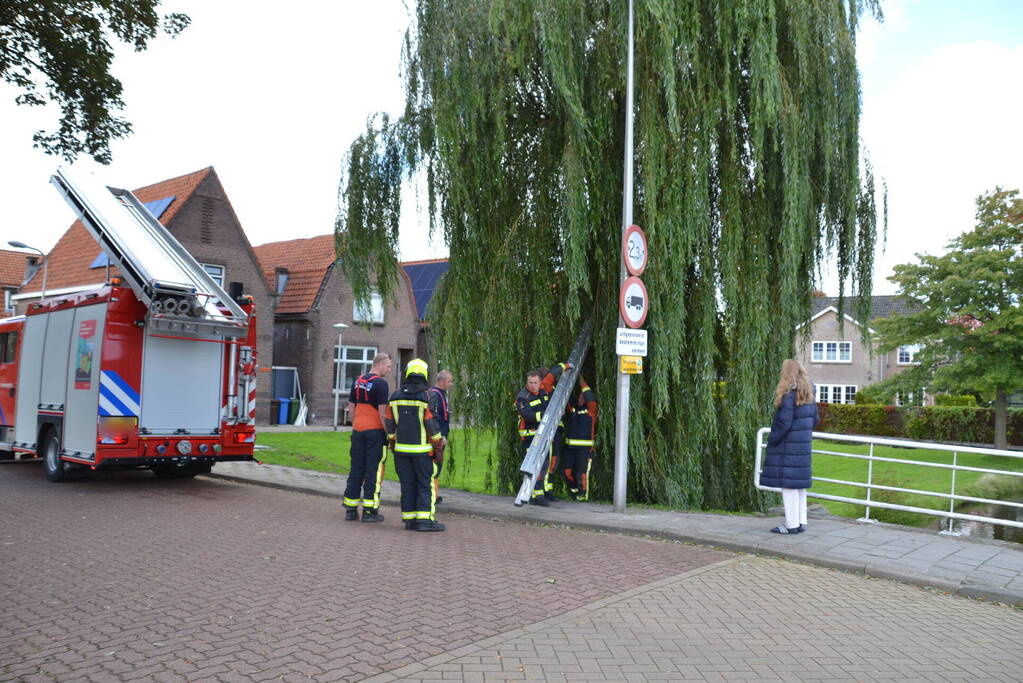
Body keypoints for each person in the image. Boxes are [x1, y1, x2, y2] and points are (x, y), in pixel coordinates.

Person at [386, 358, 447, 531]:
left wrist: (392, 443)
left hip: (401, 451)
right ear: (425, 374)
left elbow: (389, 423)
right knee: (425, 484)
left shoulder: (395, 396)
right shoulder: (428, 396)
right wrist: (439, 447)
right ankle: (424, 521)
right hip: (422, 452)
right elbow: (432, 425)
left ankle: (410, 520)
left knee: (407, 484)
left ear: (407, 373)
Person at [761, 358, 818, 534]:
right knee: (799, 485)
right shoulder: (809, 394)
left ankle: (791, 525)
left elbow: (783, 424)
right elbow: (815, 420)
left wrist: (772, 440)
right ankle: (800, 522)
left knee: (788, 486)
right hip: (802, 447)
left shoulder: (789, 395)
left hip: (788, 448)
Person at [342, 352, 392, 523]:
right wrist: (389, 434)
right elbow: (382, 413)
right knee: (373, 471)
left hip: (358, 430)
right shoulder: (381, 384)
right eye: (388, 366)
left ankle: (351, 510)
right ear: (380, 364)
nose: (389, 370)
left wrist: (356, 425)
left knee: (356, 468)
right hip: (375, 432)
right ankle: (369, 511)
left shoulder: (358, 381)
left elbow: (351, 408)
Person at [515, 368, 552, 506]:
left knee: (544, 464)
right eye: (530, 382)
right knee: (534, 465)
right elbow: (527, 415)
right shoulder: (522, 397)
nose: (532, 385)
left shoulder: (543, 393)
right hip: (530, 436)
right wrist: (544, 416)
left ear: (540, 382)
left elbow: (548, 406)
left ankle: (538, 493)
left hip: (542, 434)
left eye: (535, 382)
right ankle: (537, 496)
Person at [562, 376, 597, 500]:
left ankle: (583, 496)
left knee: (581, 473)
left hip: (584, 450)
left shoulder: (591, 410)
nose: (581, 399)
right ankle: (574, 492)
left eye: (583, 397)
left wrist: (581, 380)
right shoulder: (573, 409)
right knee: (566, 472)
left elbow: (590, 396)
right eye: (580, 397)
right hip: (569, 449)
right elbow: (566, 397)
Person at [427, 370, 453, 504]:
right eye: (449, 381)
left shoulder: (440, 394)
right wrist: (440, 436)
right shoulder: (435, 395)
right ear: (441, 381)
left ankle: (434, 494)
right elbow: (435, 418)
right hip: (437, 438)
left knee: (437, 464)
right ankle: (432, 495)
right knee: (435, 464)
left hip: (440, 436)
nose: (451, 384)